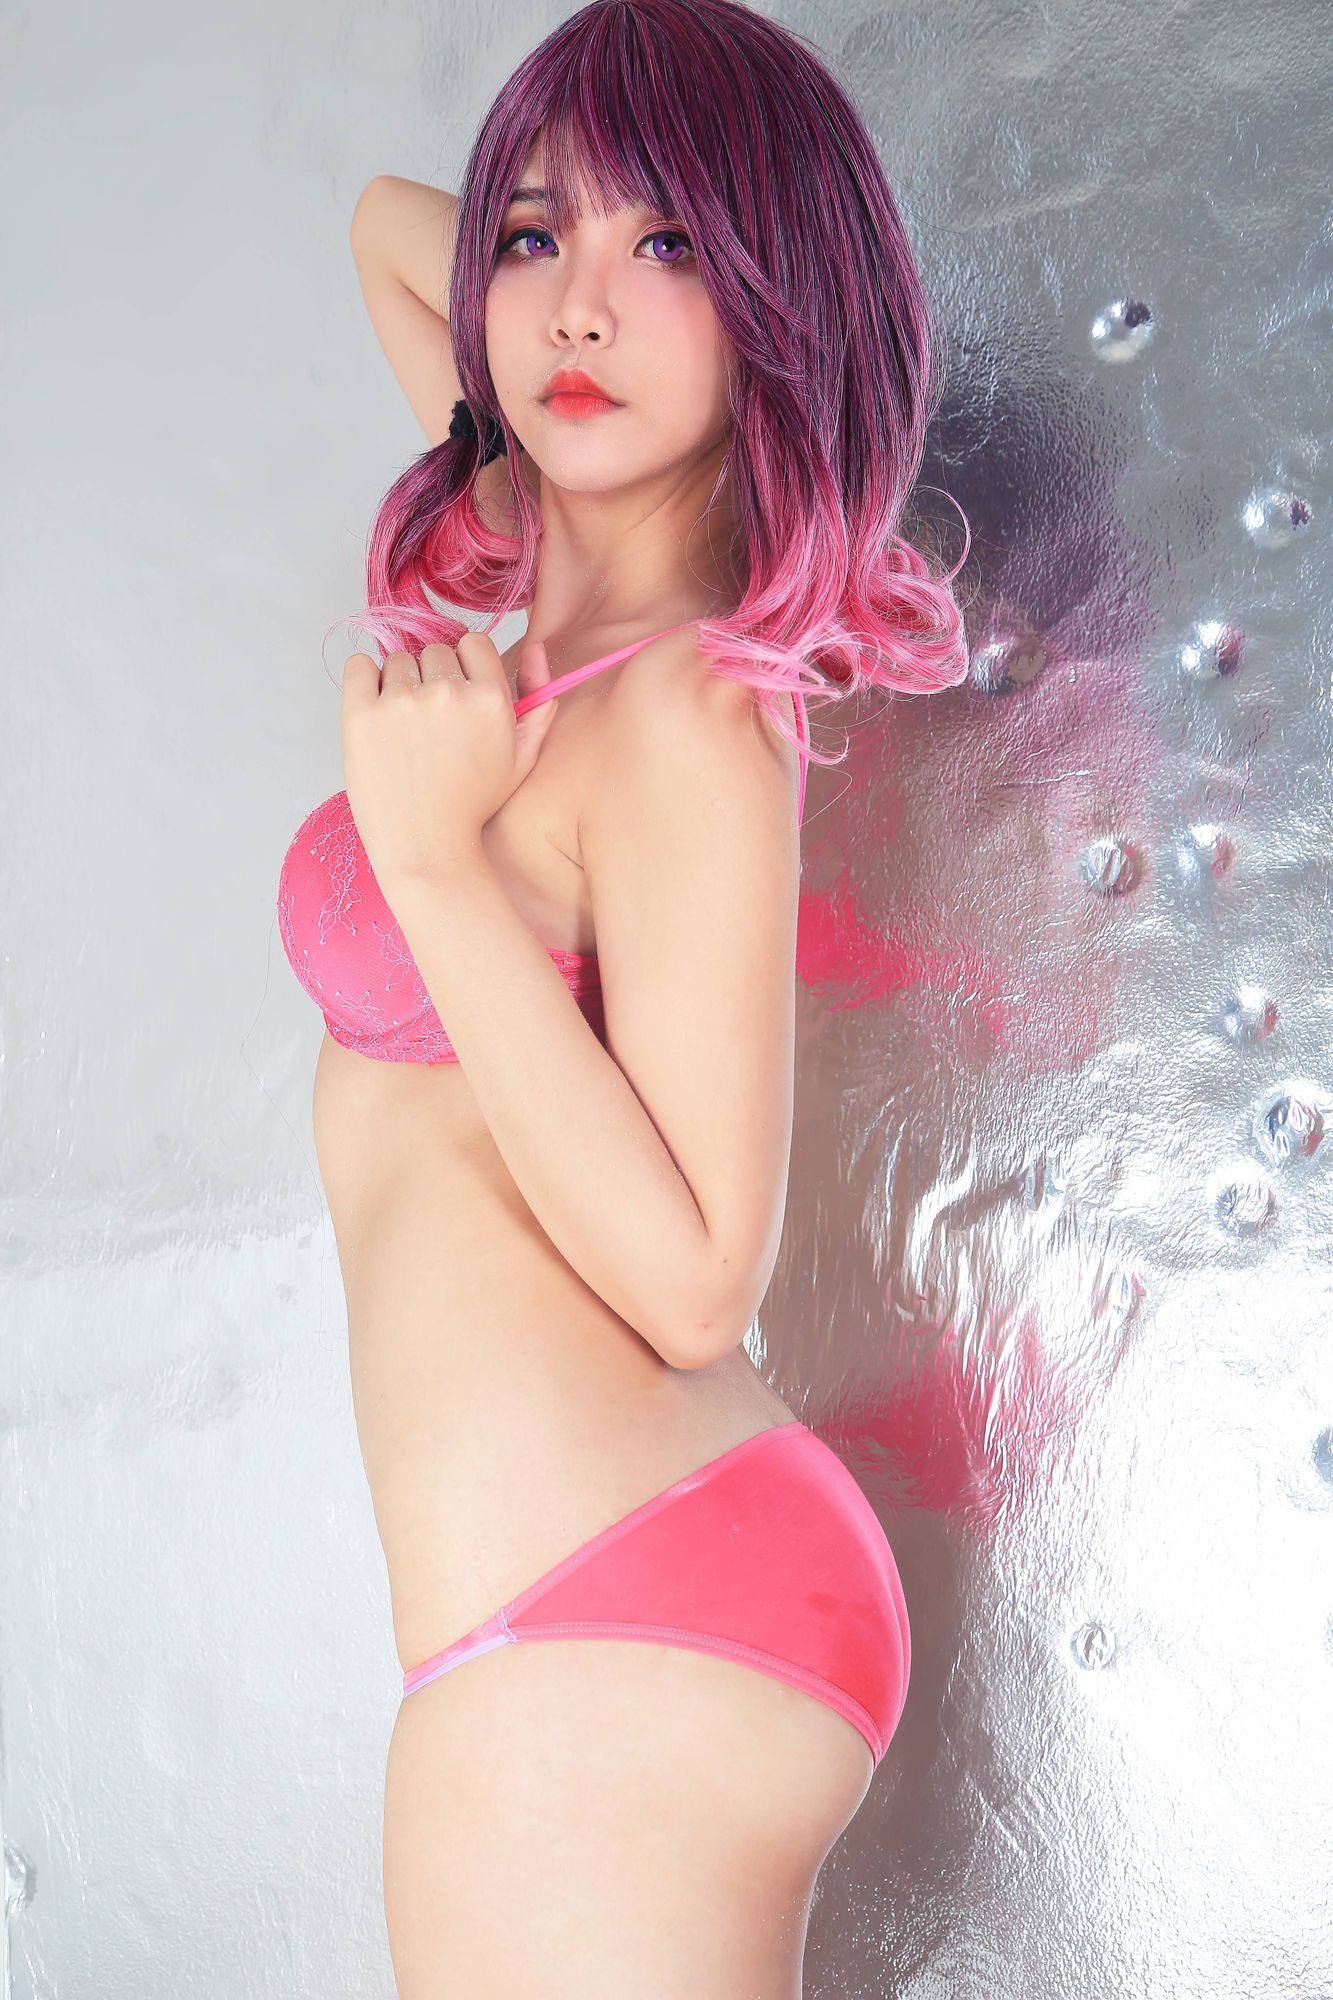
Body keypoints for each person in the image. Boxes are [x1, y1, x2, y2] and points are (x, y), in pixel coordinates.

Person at [277, 1, 969, 1991]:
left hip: (608, 1610)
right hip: (599, 1604)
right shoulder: (545, 584)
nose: (578, 302)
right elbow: (381, 225)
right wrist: (567, 273)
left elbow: (689, 1277)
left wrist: (428, 866)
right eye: (537, 237)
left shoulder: (684, 701)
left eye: (669, 241)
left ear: (777, 301)